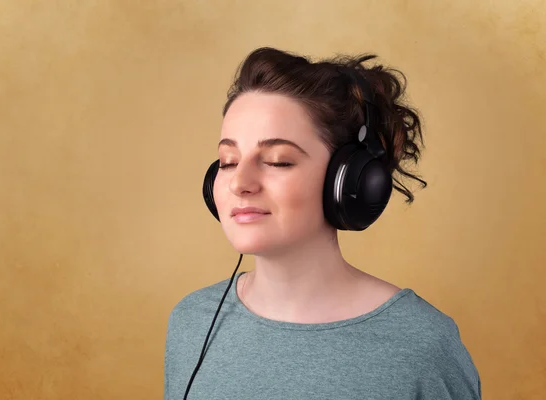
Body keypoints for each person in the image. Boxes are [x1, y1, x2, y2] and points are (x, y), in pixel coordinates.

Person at [164, 47, 481, 399]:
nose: (240, 182)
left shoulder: (422, 346)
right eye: (227, 161)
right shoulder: (191, 322)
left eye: (278, 161)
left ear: (347, 183)